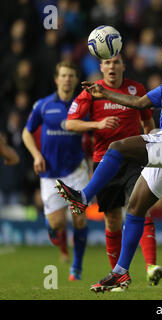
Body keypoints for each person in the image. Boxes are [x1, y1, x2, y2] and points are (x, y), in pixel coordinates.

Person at [56, 38, 162, 292]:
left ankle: (83, 197)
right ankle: (121, 273)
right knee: (134, 209)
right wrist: (105, 93)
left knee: (117, 148)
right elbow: (139, 103)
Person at [61, 54, 162, 287]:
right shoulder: (93, 90)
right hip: (104, 162)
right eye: (107, 63)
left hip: (134, 160)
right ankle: (119, 277)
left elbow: (148, 123)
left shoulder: (135, 88)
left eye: (116, 62)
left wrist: (152, 144)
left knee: (140, 207)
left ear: (123, 66)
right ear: (101, 67)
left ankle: (151, 266)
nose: (111, 66)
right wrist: (97, 124)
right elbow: (70, 123)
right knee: (113, 220)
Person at [22, 61, 89, 280]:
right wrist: (36, 155)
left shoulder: (82, 106)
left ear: (76, 80)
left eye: (71, 75)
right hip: (50, 173)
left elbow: (93, 132)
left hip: (76, 170)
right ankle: (56, 234)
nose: (67, 79)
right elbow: (26, 133)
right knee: (58, 223)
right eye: (64, 75)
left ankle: (76, 267)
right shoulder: (42, 105)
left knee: (79, 219)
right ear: (56, 79)